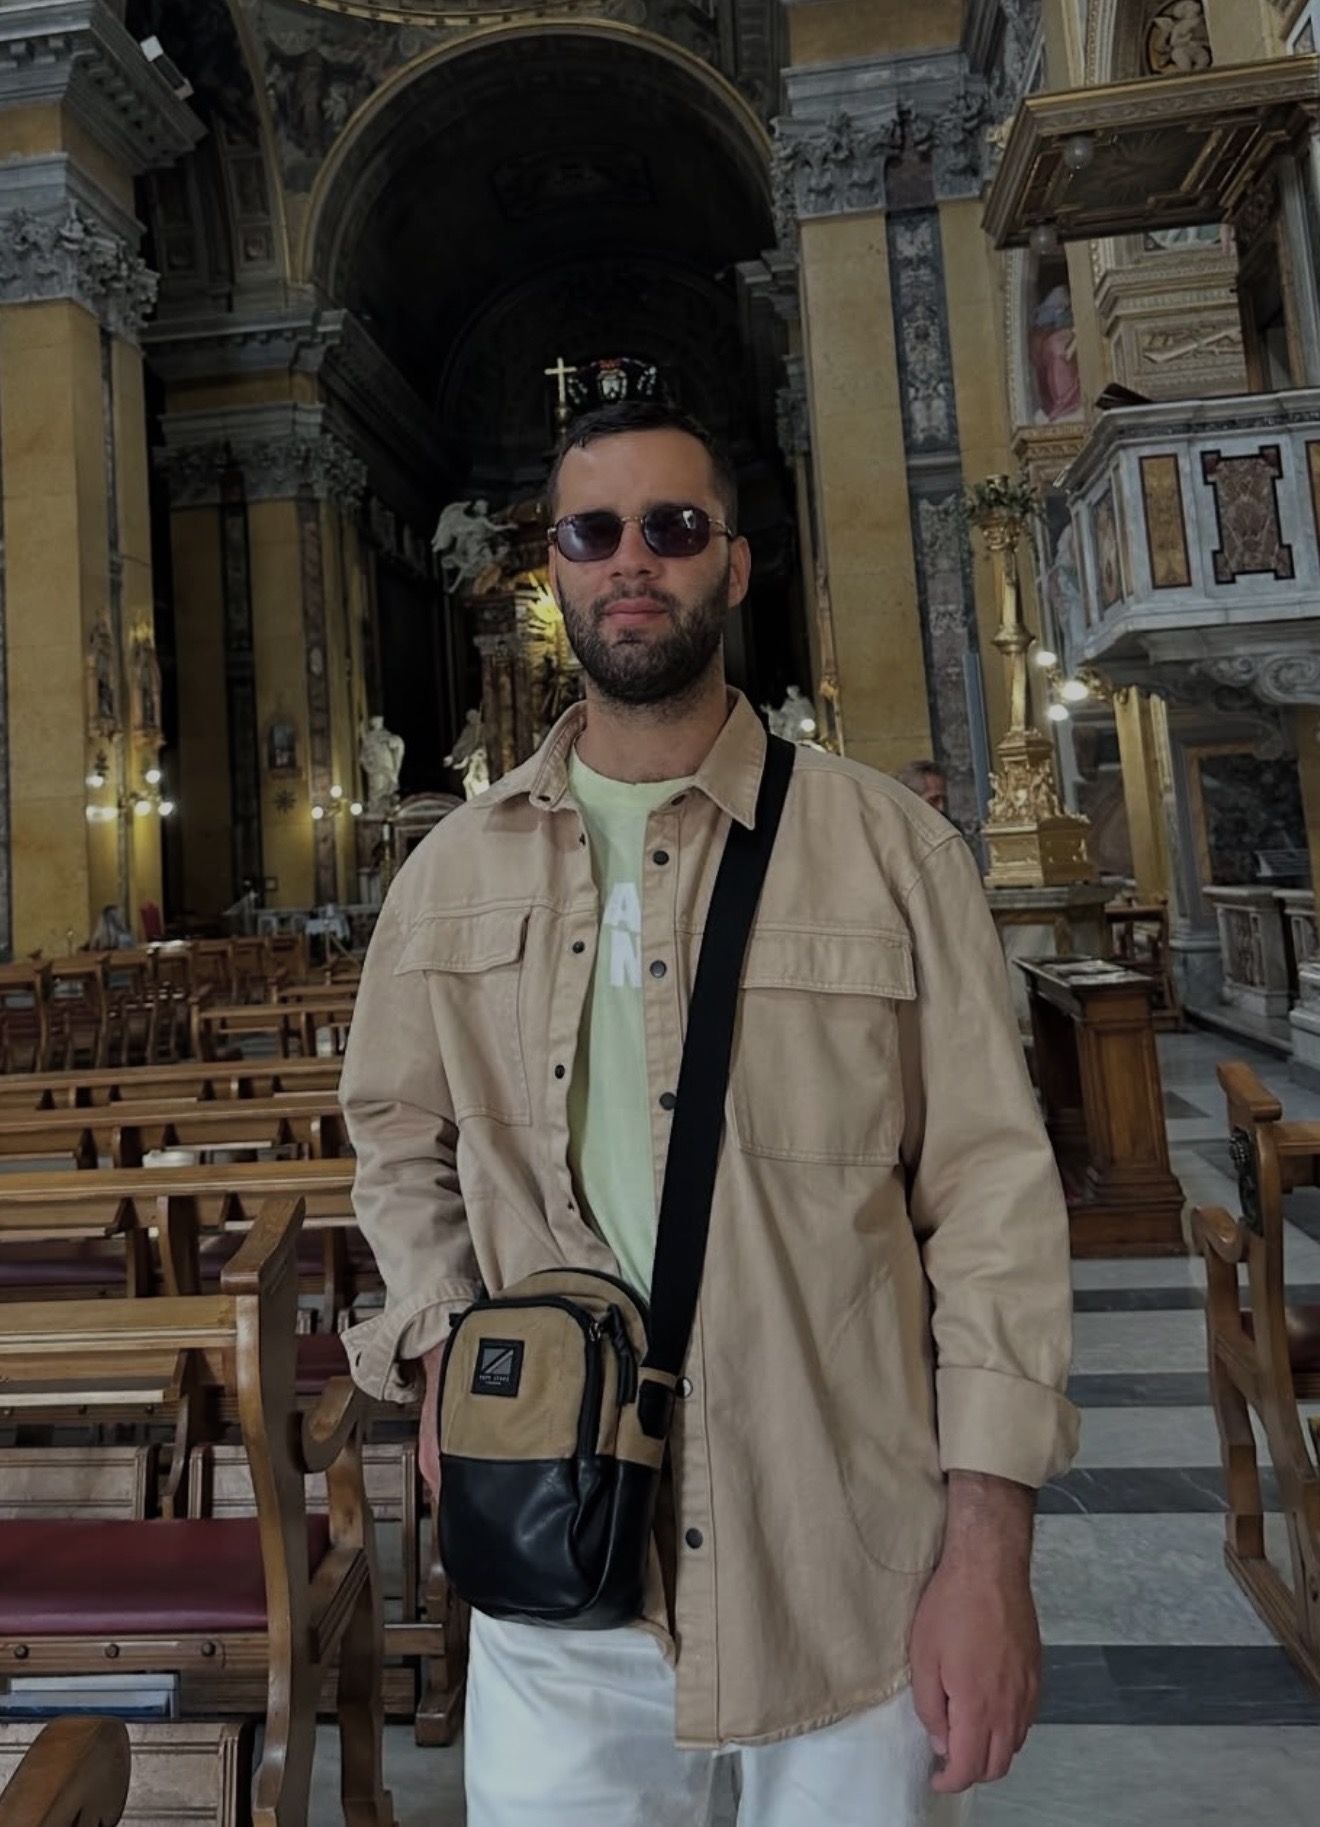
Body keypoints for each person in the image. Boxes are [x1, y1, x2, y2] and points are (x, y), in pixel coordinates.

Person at [341, 401, 1077, 1827]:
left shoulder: (890, 851)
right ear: (553, 572)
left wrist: (989, 1552)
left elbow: (993, 1200)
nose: (633, 559)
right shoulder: (449, 875)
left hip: (846, 1558)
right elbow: (395, 1136)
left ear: (734, 565)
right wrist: (438, 1342)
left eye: (672, 528)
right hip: (558, 1554)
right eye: (592, 531)